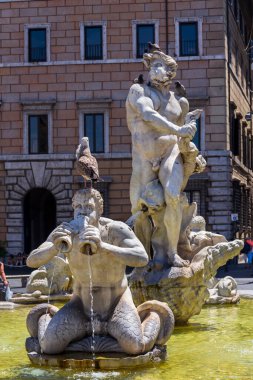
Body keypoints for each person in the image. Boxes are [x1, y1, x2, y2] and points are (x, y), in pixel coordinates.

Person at [26, 188, 173, 355]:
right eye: (78, 207)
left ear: (100, 210)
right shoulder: (65, 231)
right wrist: (54, 246)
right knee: (49, 346)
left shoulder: (115, 229)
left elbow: (141, 258)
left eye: (88, 207)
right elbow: (32, 261)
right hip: (81, 306)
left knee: (135, 346)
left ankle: (152, 315)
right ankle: (47, 318)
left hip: (116, 303)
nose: (82, 212)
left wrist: (104, 247)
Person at [126, 46, 205, 268]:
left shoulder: (179, 103)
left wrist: (191, 152)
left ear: (170, 72)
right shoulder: (138, 91)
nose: (153, 69)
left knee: (172, 195)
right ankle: (143, 263)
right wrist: (178, 130)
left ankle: (171, 253)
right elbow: (148, 114)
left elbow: (182, 138)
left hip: (170, 152)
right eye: (152, 66)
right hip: (143, 158)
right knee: (140, 212)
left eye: (158, 65)